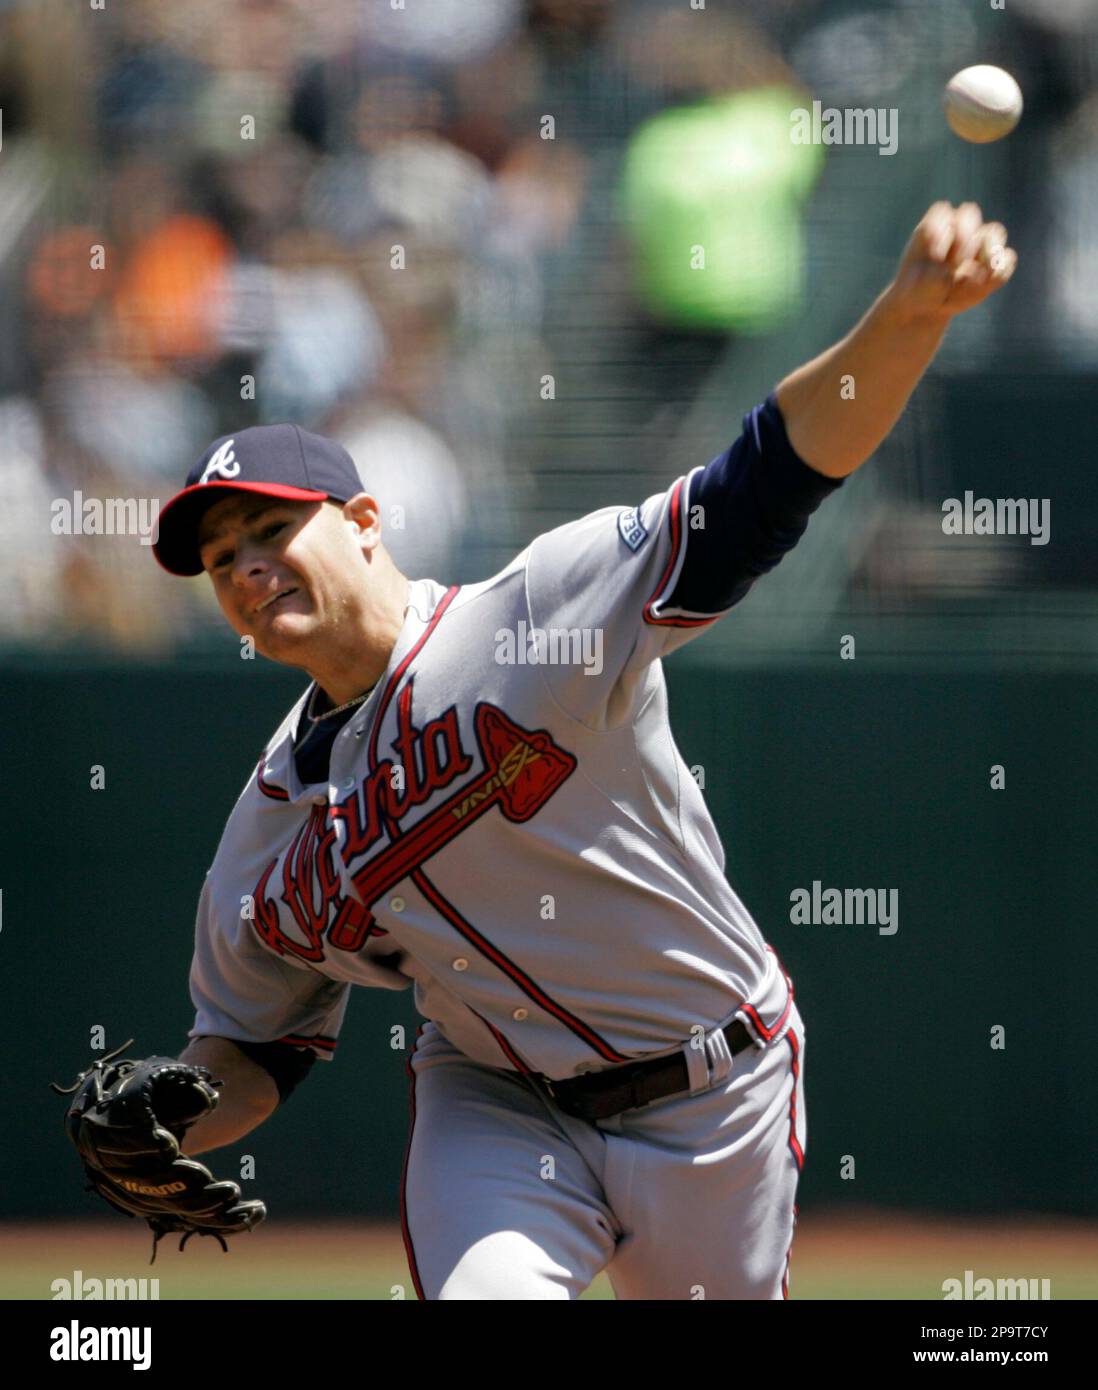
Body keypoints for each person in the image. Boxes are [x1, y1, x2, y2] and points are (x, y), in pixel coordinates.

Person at [150, 202, 1015, 1300]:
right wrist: (167, 1109)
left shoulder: (532, 616)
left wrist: (905, 320)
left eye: (272, 529)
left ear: (365, 520)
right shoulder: (268, 821)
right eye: (221, 557)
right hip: (496, 1101)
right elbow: (254, 1046)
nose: (247, 566)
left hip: (714, 1086)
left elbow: (759, 487)